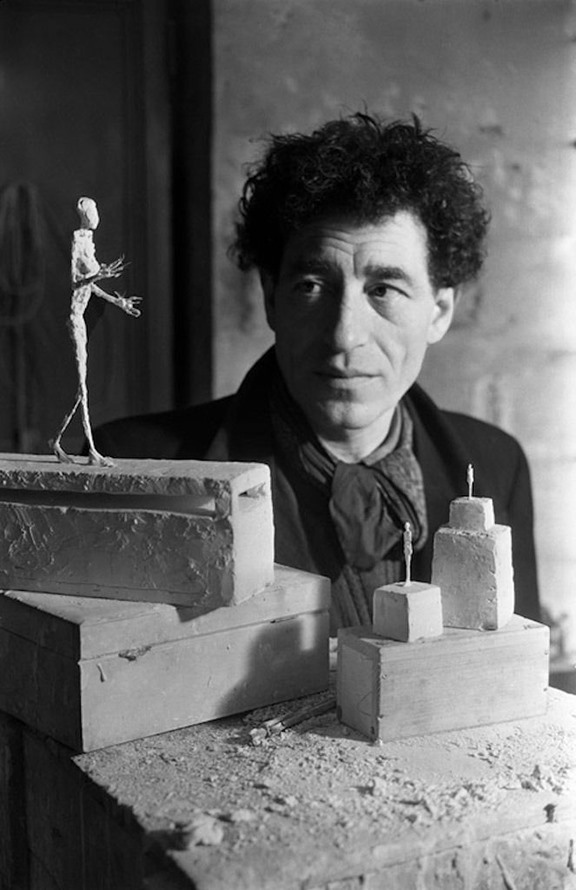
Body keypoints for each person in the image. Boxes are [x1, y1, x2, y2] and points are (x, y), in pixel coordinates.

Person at [94, 113, 540, 632]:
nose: (344, 335)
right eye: (311, 286)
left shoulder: (498, 466)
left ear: (439, 311)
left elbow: (518, 670)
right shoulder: (130, 471)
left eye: (384, 290)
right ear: (270, 298)